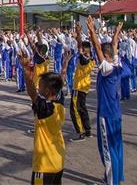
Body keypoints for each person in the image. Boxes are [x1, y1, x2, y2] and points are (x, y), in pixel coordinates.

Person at [18, 43, 65, 185]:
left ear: (49, 90)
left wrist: (26, 70)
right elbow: (60, 80)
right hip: (58, 161)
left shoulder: (45, 110)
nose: (39, 87)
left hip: (44, 165)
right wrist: (65, 65)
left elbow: (32, 93)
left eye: (42, 86)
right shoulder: (59, 103)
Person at [87, 17, 125, 185]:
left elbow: (97, 47)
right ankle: (116, 177)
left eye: (102, 54)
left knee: (107, 150)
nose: (98, 57)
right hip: (116, 113)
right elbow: (114, 47)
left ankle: (111, 182)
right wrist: (116, 33)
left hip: (106, 114)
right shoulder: (117, 64)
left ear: (106, 55)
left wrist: (92, 31)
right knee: (117, 147)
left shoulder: (107, 69)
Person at [69, 22, 94, 142]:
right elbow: (80, 46)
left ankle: (81, 132)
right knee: (83, 109)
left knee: (75, 110)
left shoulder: (85, 59)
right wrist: (79, 34)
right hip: (84, 87)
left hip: (78, 88)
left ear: (85, 50)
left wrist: (78, 33)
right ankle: (88, 130)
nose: (81, 50)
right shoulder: (91, 58)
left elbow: (79, 46)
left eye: (83, 49)